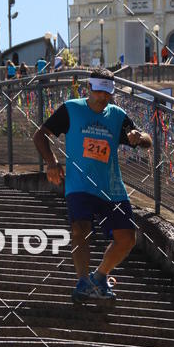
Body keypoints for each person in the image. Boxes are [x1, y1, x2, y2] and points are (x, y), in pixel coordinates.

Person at [33, 67, 152, 304]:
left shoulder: (117, 115)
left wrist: (138, 137)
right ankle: (82, 282)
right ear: (89, 88)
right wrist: (52, 163)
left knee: (127, 238)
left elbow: (146, 141)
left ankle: (99, 277)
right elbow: (40, 135)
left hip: (111, 187)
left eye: (107, 93)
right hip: (80, 185)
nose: (102, 97)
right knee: (80, 229)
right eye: (98, 92)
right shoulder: (72, 109)